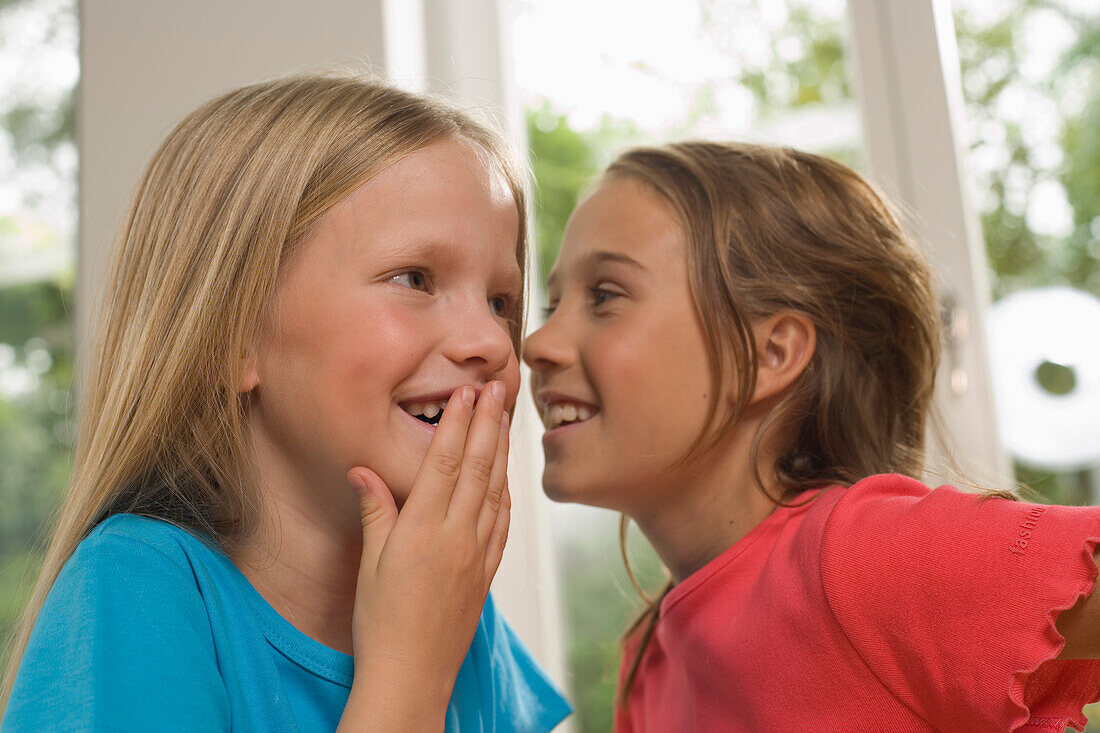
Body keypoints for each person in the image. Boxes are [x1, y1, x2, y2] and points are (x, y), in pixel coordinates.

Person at [1, 72, 570, 732]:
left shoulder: (456, 611)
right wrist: (410, 669)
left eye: (500, 300)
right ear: (231, 337)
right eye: (415, 278)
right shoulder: (136, 589)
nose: (492, 342)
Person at [523, 140, 1100, 732]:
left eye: (605, 296)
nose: (537, 345)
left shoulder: (861, 555)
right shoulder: (649, 665)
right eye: (552, 304)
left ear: (772, 352)